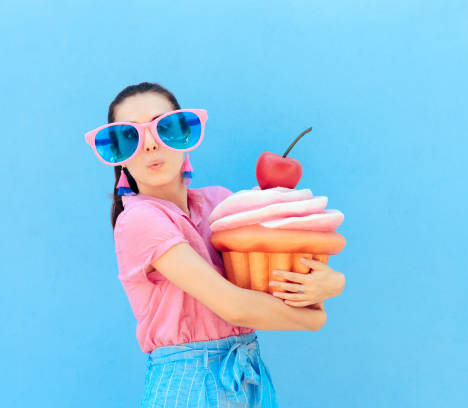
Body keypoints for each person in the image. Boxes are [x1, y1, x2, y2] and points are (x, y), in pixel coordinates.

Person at [83, 81, 347, 407]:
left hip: (250, 377)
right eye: (129, 136)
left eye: (164, 127)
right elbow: (233, 305)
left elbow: (275, 280)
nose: (150, 145)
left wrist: (331, 282)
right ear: (118, 158)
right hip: (187, 386)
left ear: (185, 137)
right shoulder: (138, 221)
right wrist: (315, 317)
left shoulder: (220, 205)